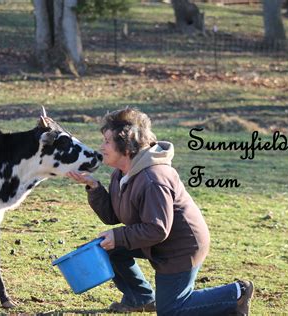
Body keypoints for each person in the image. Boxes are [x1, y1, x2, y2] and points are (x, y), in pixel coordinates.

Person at [67, 108, 254, 315]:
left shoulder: (153, 179)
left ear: (127, 146)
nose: (102, 147)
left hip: (180, 248)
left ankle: (236, 293)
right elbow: (112, 217)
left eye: (107, 141)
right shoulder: (121, 174)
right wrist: (94, 188)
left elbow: (157, 229)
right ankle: (140, 298)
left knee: (171, 311)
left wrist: (118, 236)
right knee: (106, 247)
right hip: (157, 242)